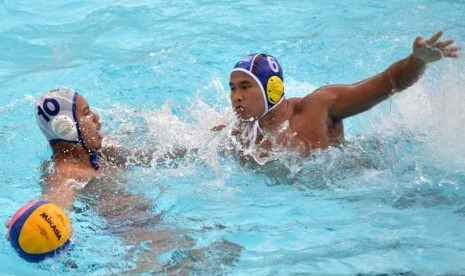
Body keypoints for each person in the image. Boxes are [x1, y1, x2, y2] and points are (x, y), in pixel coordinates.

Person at [218, 30, 461, 160]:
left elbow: (388, 82)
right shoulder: (236, 133)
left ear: (272, 88)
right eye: (232, 88)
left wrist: (417, 60)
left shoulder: (319, 106)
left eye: (245, 86)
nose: (236, 96)